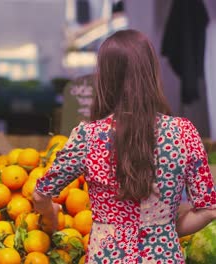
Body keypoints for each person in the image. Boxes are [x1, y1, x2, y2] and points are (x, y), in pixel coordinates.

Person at [33, 29, 216, 263]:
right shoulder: (184, 132)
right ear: (151, 72)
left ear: (105, 77)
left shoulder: (88, 137)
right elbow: (209, 210)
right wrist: (163, 232)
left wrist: (52, 215)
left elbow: (40, 194)